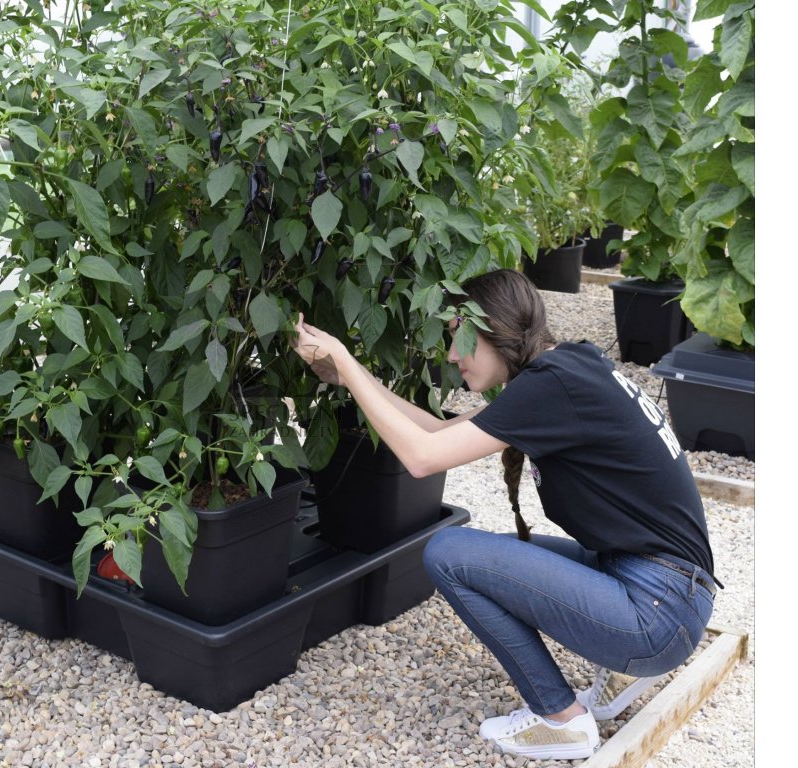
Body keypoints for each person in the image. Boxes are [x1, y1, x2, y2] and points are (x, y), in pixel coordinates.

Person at [288, 269, 718, 760]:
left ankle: (562, 720)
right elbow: (437, 431)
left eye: (458, 337)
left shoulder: (551, 386)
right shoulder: (568, 367)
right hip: (665, 592)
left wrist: (345, 358)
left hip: (657, 612)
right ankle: (611, 674)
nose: (452, 357)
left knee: (450, 552)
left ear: (492, 329)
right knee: (492, 555)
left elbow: (422, 457)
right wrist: (349, 378)